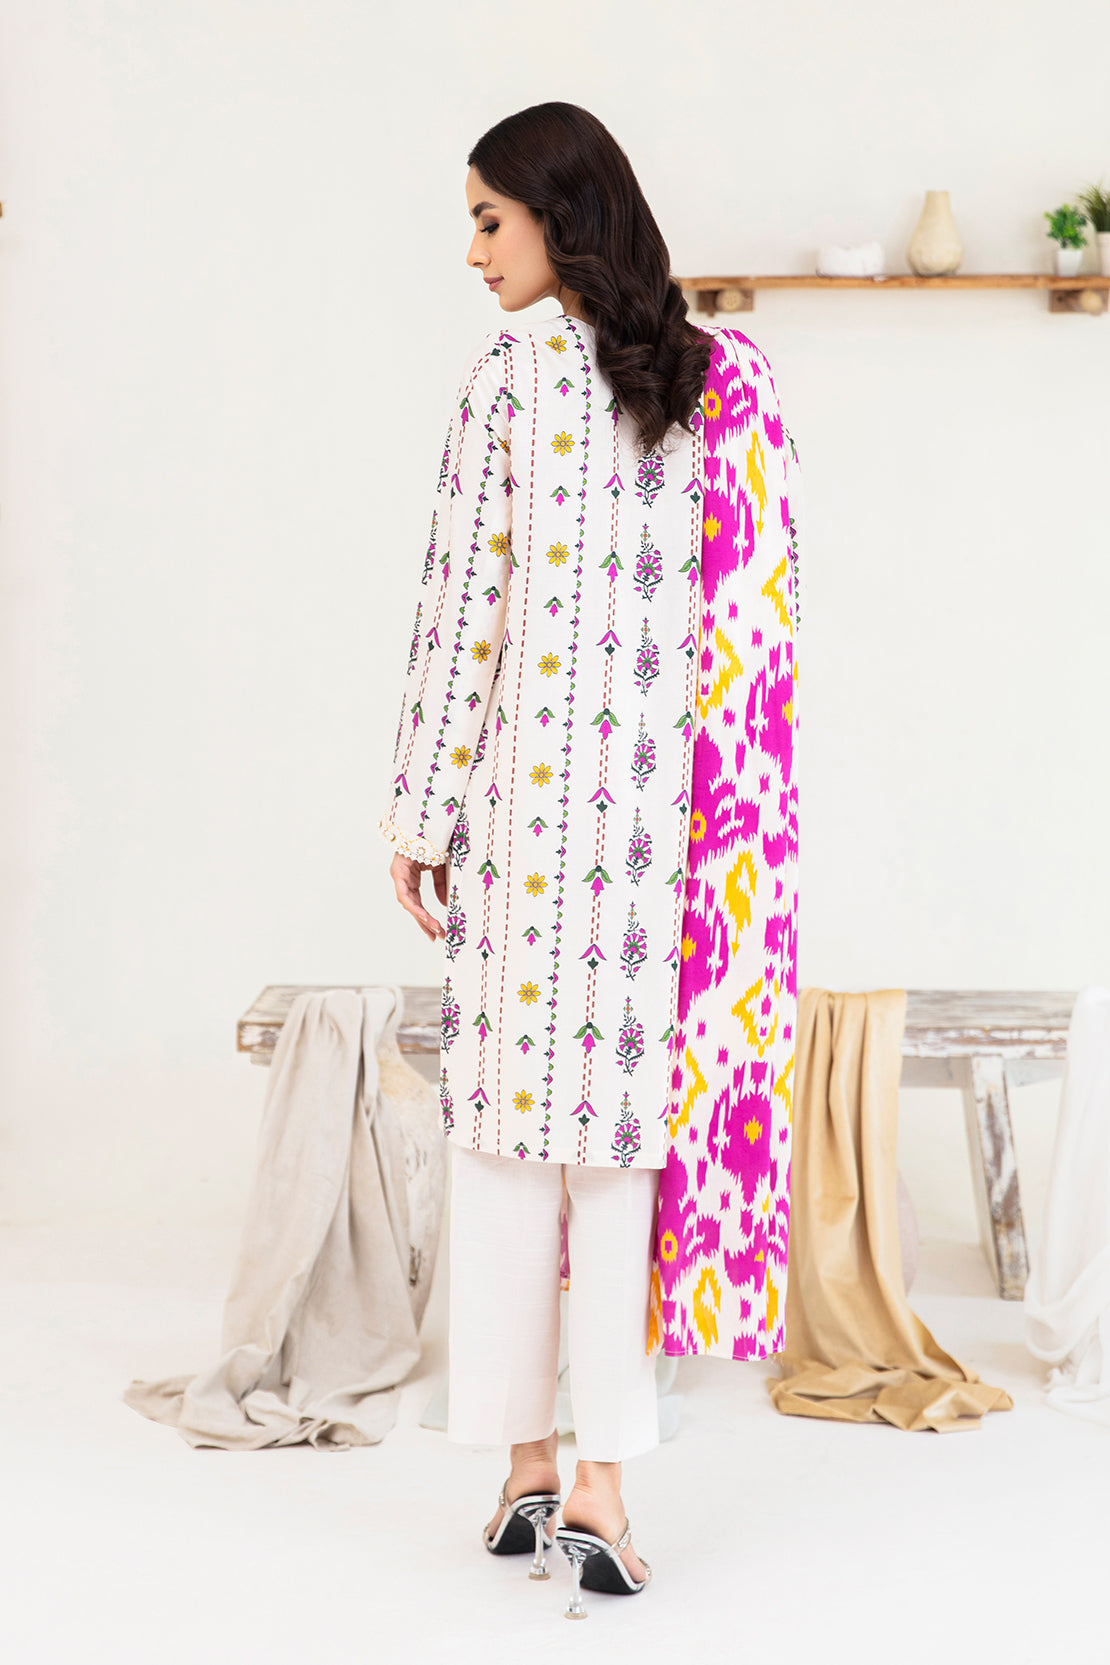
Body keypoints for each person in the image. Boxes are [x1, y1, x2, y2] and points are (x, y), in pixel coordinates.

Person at [379, 102, 802, 1619]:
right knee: (618, 1162)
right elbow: (764, 618)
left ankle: (521, 1470)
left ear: (562, 218)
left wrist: (418, 815)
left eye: (489, 219)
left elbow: (461, 616)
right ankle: (606, 1493)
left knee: (507, 1149)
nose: (473, 251)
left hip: (523, 832)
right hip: (655, 842)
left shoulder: (505, 380)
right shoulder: (719, 380)